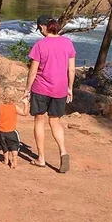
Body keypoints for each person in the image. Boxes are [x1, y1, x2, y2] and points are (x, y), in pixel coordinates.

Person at [25, 14, 75, 173]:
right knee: (55, 122)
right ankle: (63, 151)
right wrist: (70, 88)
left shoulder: (40, 45)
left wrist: (27, 90)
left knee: (39, 120)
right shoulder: (67, 43)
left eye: (39, 28)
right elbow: (71, 69)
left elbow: (33, 71)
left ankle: (41, 159)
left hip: (41, 89)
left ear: (42, 27)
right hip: (60, 89)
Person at [0, 86, 30, 169]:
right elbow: (25, 113)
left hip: (1, 132)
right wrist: (26, 104)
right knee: (14, 146)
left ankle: (6, 160)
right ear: (14, 97)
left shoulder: (0, 107)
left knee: (4, 146)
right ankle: (14, 160)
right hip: (11, 132)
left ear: (3, 96)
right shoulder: (14, 107)